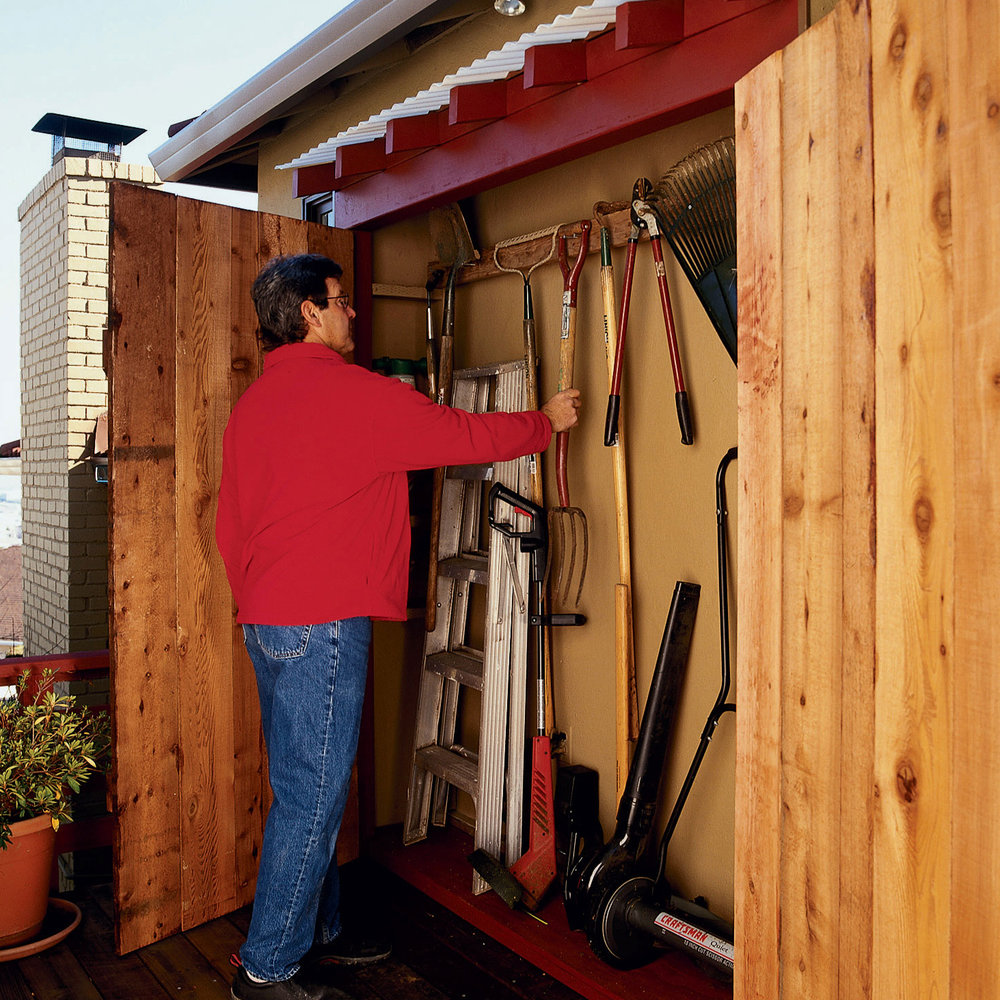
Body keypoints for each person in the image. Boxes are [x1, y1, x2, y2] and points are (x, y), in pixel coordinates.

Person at [216, 253, 581, 1000]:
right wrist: (545, 424)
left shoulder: (253, 405)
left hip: (267, 620)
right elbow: (458, 436)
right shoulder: (354, 395)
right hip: (319, 623)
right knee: (313, 798)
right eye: (341, 300)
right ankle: (266, 969)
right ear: (311, 314)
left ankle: (319, 931)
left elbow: (230, 524)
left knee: (301, 788)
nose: (352, 311)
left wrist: (259, 600)